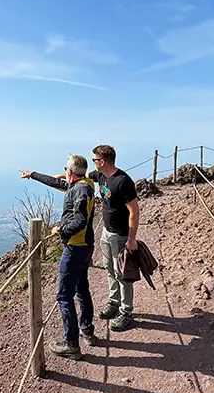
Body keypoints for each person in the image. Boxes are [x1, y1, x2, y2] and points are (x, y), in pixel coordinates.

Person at [20, 154, 97, 359]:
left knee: (64, 296)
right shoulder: (85, 184)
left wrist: (61, 230)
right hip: (86, 246)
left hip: (75, 247)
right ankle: (87, 329)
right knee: (82, 289)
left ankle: (71, 344)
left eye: (66, 170)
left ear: (70, 172)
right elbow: (57, 182)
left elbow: (80, 219)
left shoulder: (79, 190)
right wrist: (33, 175)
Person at [87, 145, 140, 332]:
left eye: (94, 160)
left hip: (120, 235)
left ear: (102, 162)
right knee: (110, 268)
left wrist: (131, 239)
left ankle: (126, 311)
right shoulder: (100, 175)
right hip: (106, 232)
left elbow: (134, 211)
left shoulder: (123, 181)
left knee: (122, 273)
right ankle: (114, 302)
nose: (93, 163)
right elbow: (78, 175)